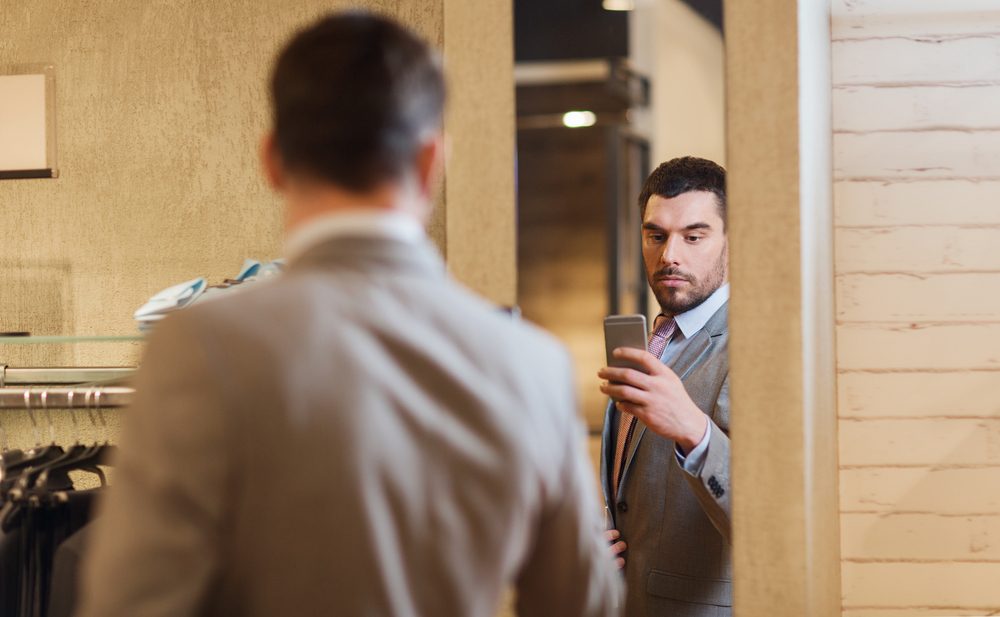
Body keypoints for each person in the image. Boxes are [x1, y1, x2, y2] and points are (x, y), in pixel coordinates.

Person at [76, 13, 621, 617]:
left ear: (273, 160)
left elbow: (130, 602)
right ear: (430, 162)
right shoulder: (531, 364)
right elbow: (583, 605)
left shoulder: (198, 348)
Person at [598, 157, 731, 617]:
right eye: (656, 236)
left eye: (694, 237)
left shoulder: (754, 348)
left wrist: (694, 431)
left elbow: (773, 518)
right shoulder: (654, 340)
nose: (670, 255)